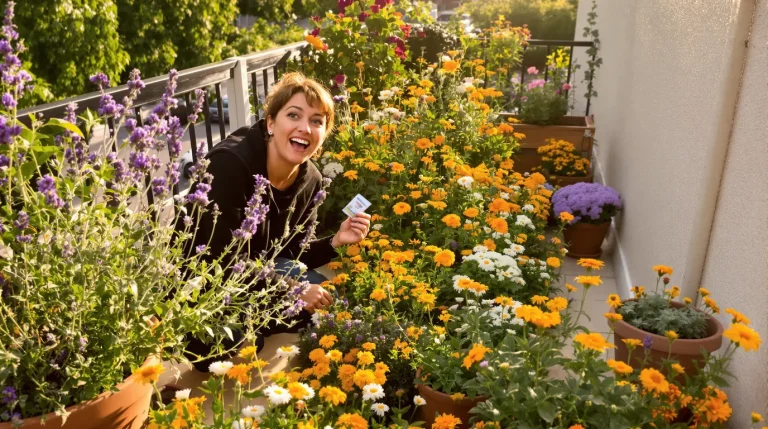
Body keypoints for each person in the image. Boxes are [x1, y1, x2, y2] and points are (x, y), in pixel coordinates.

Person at [181, 72, 371, 371]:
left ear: (323, 135)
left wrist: (336, 241)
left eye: (317, 121)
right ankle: (246, 324)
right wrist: (293, 290)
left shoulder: (311, 180)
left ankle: (260, 318)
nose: (304, 128)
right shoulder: (229, 164)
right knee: (224, 349)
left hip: (258, 274)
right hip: (204, 280)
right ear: (271, 122)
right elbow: (221, 261)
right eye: (293, 115)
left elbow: (293, 251)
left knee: (323, 298)